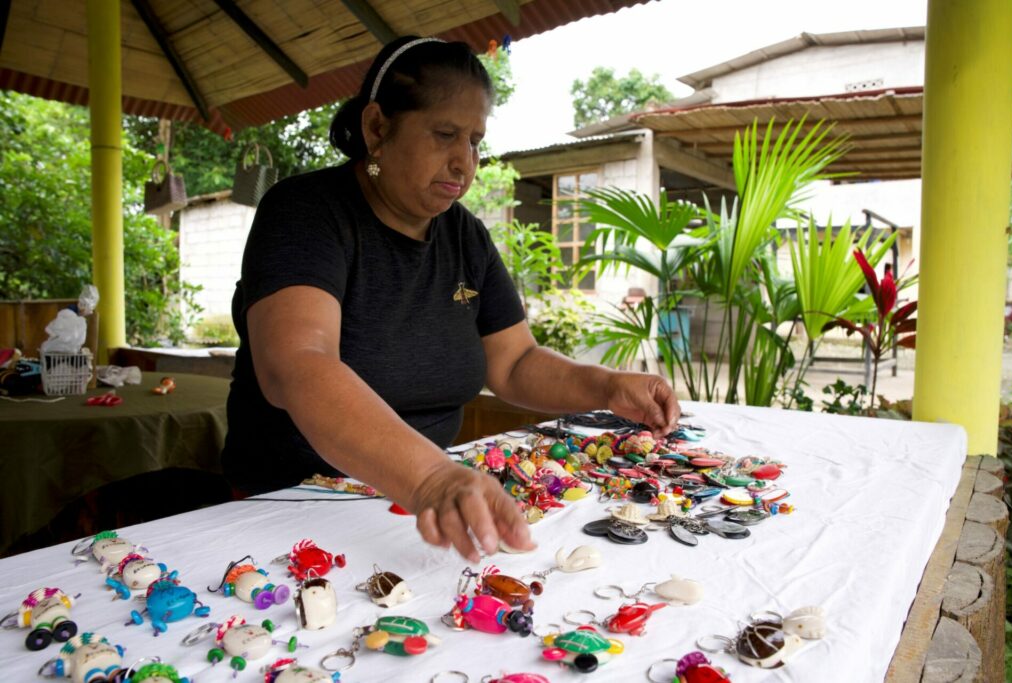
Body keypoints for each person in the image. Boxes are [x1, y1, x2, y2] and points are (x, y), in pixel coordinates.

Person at [222, 35, 681, 562]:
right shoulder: (307, 213)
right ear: (377, 128)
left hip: (428, 507)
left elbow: (514, 363)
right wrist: (431, 477)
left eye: (475, 141)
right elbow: (299, 364)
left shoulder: (464, 236)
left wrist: (606, 385)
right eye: (445, 135)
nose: (465, 163)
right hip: (290, 509)